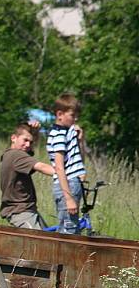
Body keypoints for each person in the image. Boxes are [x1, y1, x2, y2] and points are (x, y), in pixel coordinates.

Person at [0, 122, 55, 229]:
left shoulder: (10, 154)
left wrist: (35, 132)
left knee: (51, 238)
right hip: (20, 212)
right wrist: (66, 175)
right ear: (13, 138)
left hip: (27, 210)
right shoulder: (16, 155)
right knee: (40, 243)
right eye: (25, 140)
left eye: (31, 142)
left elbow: (31, 150)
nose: (28, 144)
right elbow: (42, 167)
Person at [46, 93, 86, 234]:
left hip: (73, 183)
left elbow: (78, 160)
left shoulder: (67, 133)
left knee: (72, 227)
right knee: (69, 230)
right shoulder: (58, 135)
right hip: (67, 185)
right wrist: (68, 198)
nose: (75, 119)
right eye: (72, 115)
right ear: (60, 114)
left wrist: (79, 140)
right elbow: (59, 167)